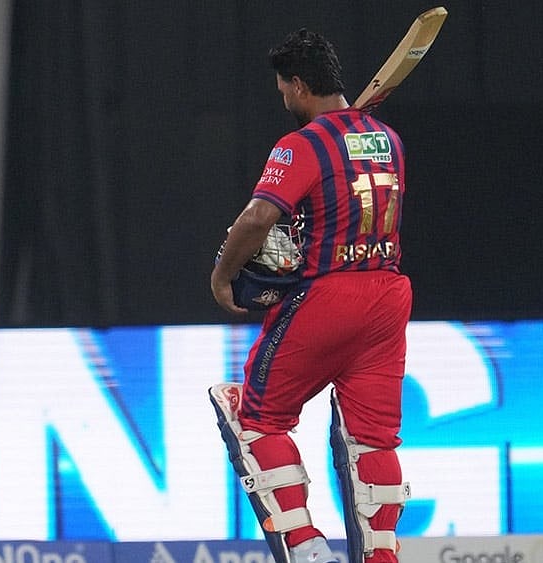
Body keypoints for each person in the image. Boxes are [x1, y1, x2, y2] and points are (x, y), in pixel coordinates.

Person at [209, 29, 412, 563]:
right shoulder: (388, 139)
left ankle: (305, 547)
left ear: (298, 85)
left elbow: (258, 218)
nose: (283, 101)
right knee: (373, 438)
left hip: (328, 295)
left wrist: (224, 274)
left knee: (254, 416)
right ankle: (382, 553)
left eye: (283, 90)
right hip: (389, 295)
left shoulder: (300, 145)